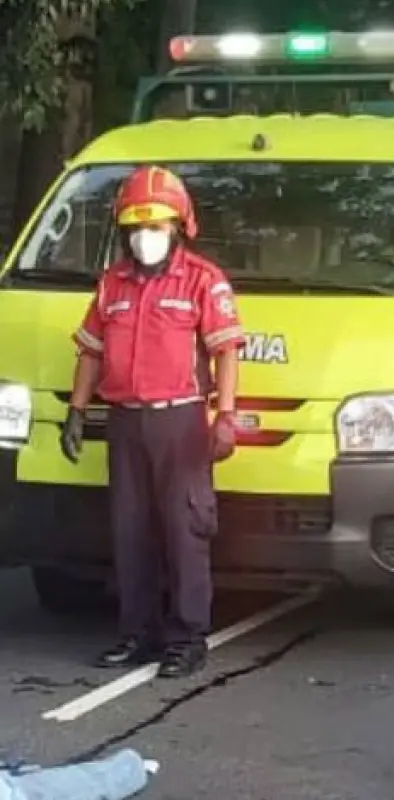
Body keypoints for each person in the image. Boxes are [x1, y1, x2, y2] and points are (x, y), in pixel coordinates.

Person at [62, 165, 243, 678]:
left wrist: (225, 418)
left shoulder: (203, 281)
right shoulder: (112, 284)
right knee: (129, 531)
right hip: (125, 422)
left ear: (178, 228)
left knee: (185, 532)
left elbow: (226, 351)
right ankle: (137, 632)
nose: (146, 238)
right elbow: (90, 352)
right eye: (137, 228)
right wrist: (76, 411)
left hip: (181, 423)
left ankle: (186, 639)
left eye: (157, 227)